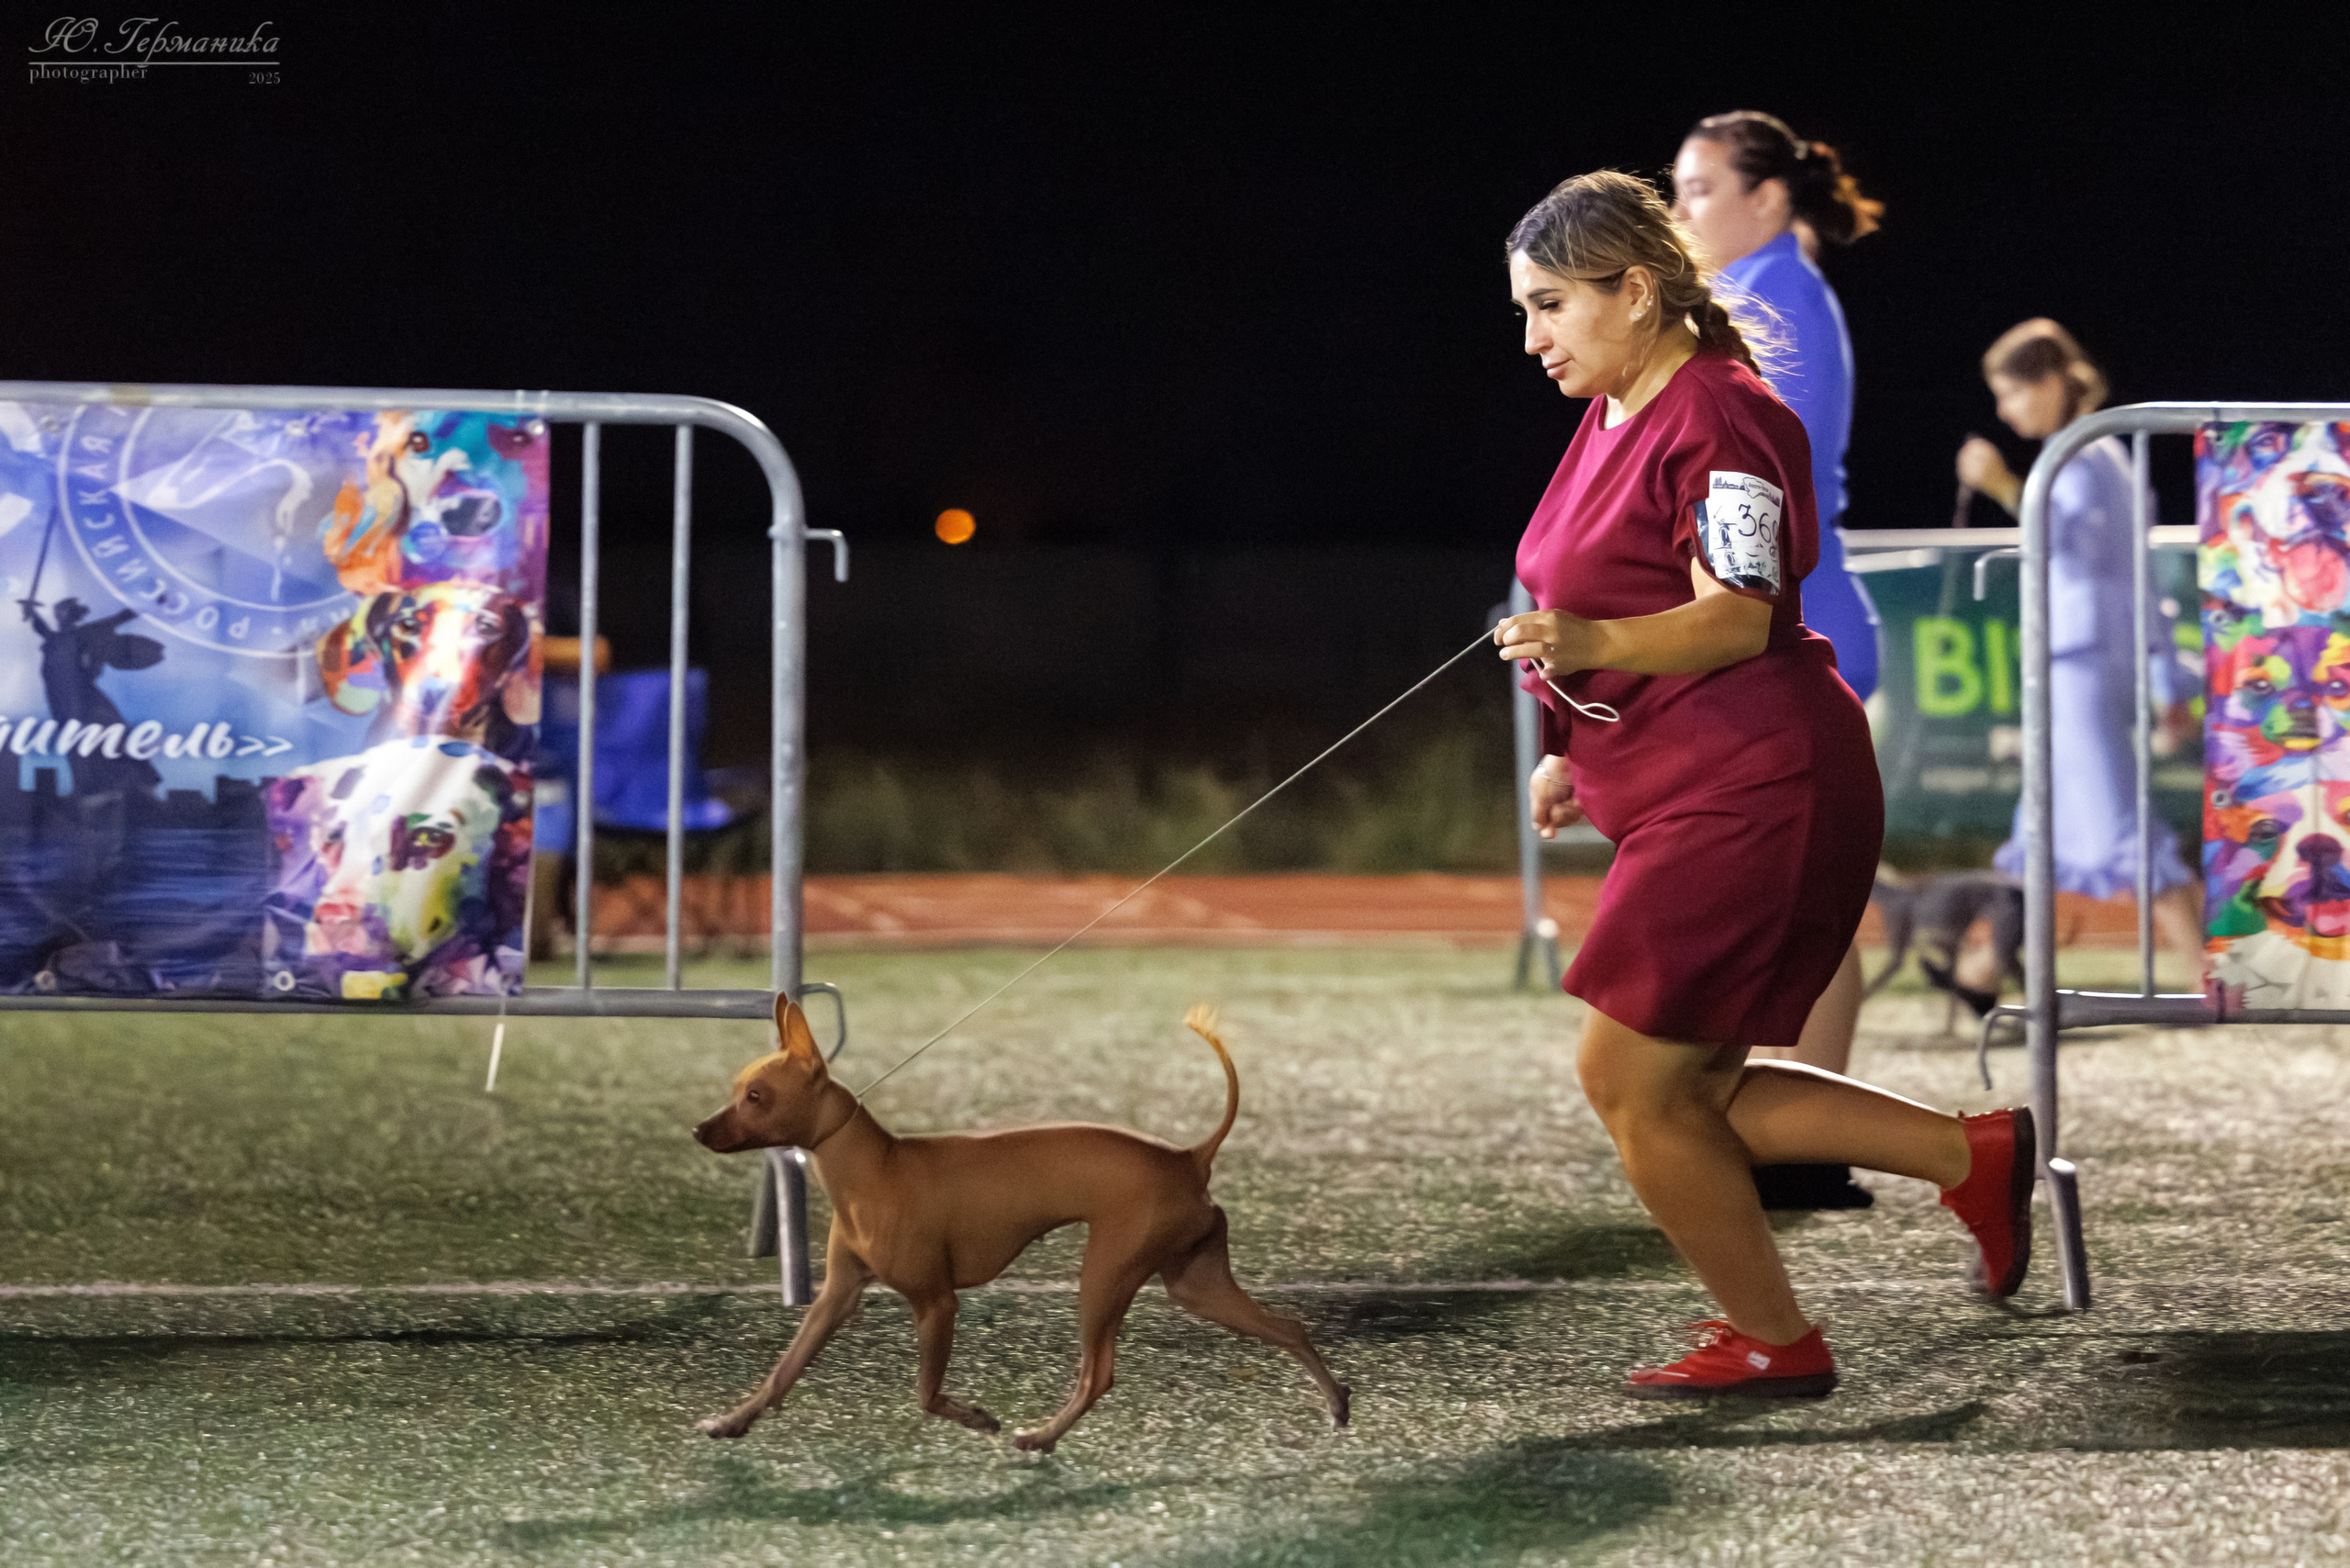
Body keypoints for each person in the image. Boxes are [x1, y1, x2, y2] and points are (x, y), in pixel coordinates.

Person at [1496, 170, 2031, 1397]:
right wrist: (1576, 748)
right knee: (1701, 1087)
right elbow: (1620, 590)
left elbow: (1735, 619)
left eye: (1551, 306)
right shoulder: (1619, 401)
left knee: (1627, 1078)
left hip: (1757, 784)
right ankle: (1973, 1155)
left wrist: (1589, 650)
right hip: (1692, 781)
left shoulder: (1724, 417)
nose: (1533, 338)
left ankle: (1777, 1340)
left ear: (1633, 290)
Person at [1671, 110, 1886, 1209]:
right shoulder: (1766, 290)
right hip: (1804, 616)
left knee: (1809, 904)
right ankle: (1800, 1131)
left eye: (1699, 188)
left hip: (1801, 624)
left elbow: (1752, 487)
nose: (1677, 211)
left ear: (1766, 198)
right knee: (1802, 901)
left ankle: (1808, 1137)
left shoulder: (1772, 298)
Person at [1957, 319, 2201, 972]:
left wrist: (2002, 484)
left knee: (2123, 827)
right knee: (2040, 822)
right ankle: (1976, 978)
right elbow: (2141, 578)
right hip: (2091, 660)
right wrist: (2165, 680)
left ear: (2051, 383)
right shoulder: (2106, 457)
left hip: (2081, 665)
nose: (2004, 410)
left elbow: (2063, 541)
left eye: (2011, 393)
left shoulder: (2080, 458)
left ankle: (2214, 978)